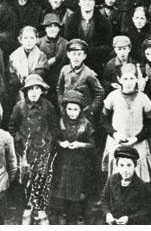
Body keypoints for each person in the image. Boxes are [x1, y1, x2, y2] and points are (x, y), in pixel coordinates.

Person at [8, 73, 58, 224]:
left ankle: (41, 209)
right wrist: (19, 139)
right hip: (25, 149)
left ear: (42, 91)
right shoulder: (19, 107)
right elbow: (11, 127)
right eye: (31, 89)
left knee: (42, 178)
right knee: (26, 179)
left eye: (37, 88)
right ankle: (27, 209)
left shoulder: (48, 106)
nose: (34, 92)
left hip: (43, 149)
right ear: (26, 92)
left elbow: (54, 126)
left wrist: (48, 140)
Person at [101, 63, 151, 183]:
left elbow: (150, 124)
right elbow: (104, 120)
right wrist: (115, 134)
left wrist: (137, 138)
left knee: (138, 176)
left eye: (132, 78)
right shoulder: (113, 96)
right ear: (119, 79)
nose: (129, 82)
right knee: (117, 176)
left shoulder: (143, 98)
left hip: (137, 143)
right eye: (125, 79)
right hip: (117, 142)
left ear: (137, 79)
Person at [52, 90, 96, 225]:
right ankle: (64, 214)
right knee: (63, 187)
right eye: (69, 109)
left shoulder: (86, 124)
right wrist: (61, 143)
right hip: (64, 161)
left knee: (78, 189)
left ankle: (78, 215)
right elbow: (55, 139)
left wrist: (79, 144)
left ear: (80, 110)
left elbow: (93, 144)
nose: (72, 112)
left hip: (80, 162)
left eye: (75, 109)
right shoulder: (61, 122)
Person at [100, 145, 151, 225]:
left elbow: (145, 211)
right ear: (117, 166)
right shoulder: (112, 179)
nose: (125, 170)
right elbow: (104, 200)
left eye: (129, 165)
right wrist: (107, 214)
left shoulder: (141, 185)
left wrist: (129, 219)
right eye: (121, 165)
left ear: (135, 165)